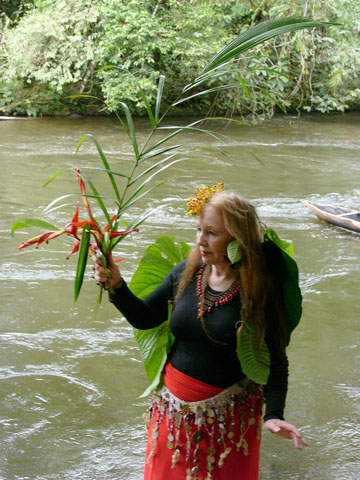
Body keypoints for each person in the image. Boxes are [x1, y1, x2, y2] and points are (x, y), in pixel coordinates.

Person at [93, 187, 308, 480]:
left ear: (238, 238)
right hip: (172, 414)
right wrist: (117, 286)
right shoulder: (187, 271)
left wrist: (274, 416)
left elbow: (276, 361)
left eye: (212, 233)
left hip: (228, 422)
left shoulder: (259, 289)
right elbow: (145, 318)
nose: (200, 241)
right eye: (198, 230)